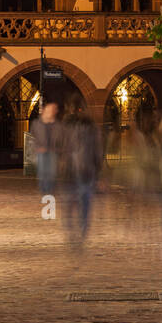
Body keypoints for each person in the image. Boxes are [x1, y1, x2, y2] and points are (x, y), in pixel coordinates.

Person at [61, 102, 103, 247]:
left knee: (70, 202)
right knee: (84, 202)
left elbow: (63, 148)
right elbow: (98, 151)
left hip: (73, 170)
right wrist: (98, 171)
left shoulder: (68, 127)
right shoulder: (92, 128)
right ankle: (82, 229)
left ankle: (71, 229)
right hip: (86, 170)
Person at [30, 97, 60, 197]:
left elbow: (61, 138)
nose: (54, 111)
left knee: (51, 171)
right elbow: (33, 137)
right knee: (42, 171)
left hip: (53, 150)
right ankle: (44, 189)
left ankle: (49, 189)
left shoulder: (57, 124)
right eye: (52, 109)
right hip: (41, 150)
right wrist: (37, 147)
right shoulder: (37, 123)